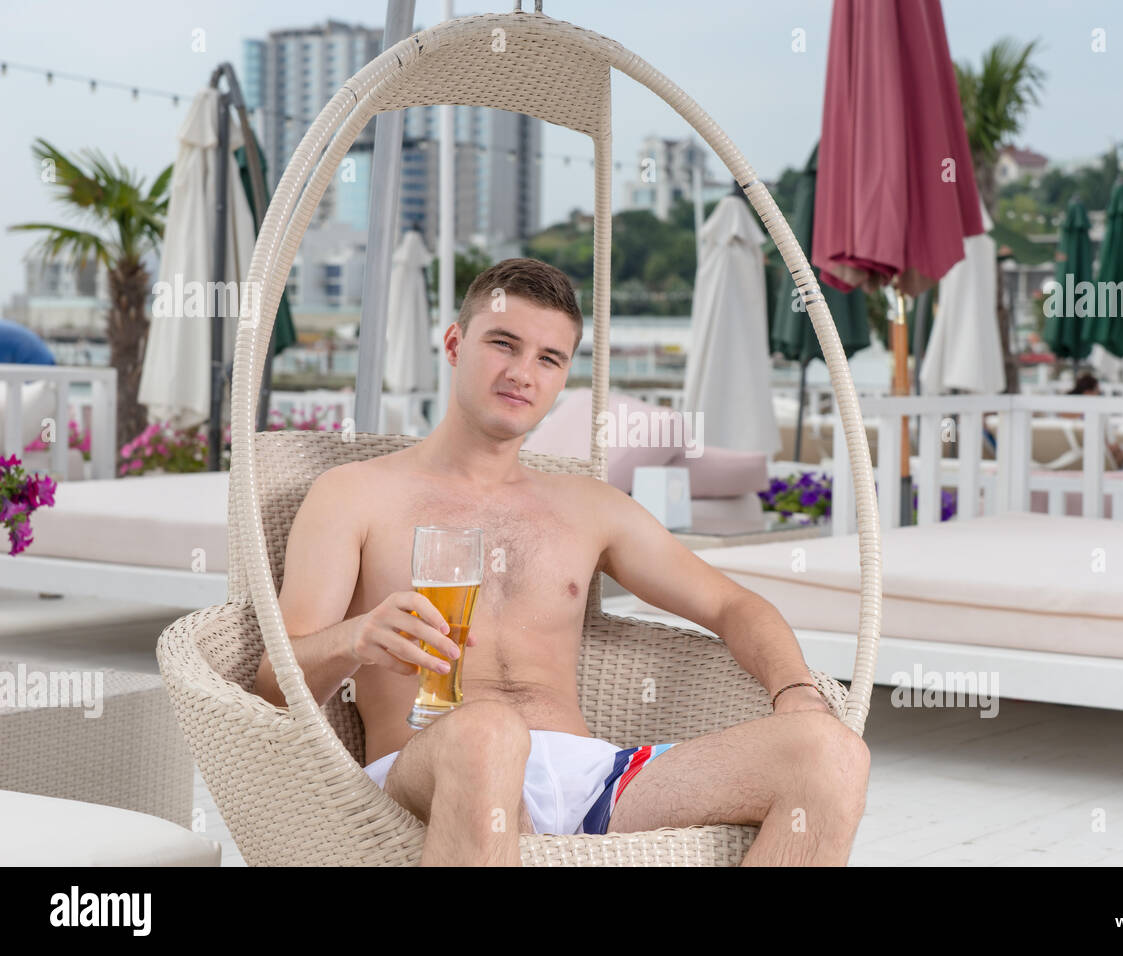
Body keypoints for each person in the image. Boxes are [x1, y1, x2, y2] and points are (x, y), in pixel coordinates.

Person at [252, 258, 868, 866]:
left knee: (831, 753)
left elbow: (735, 606)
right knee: (488, 731)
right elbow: (272, 687)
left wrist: (797, 694)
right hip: (436, 765)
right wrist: (356, 641)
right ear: (454, 343)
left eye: (549, 359)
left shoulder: (588, 506)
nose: (523, 373)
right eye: (504, 344)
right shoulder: (353, 494)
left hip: (590, 780)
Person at [1064, 372, 1123, 469]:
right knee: (1122, 458)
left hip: (1065, 460)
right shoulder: (1095, 414)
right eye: (1098, 391)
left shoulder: (1063, 414)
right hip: (1092, 459)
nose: (1099, 394)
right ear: (1088, 392)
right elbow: (1109, 443)